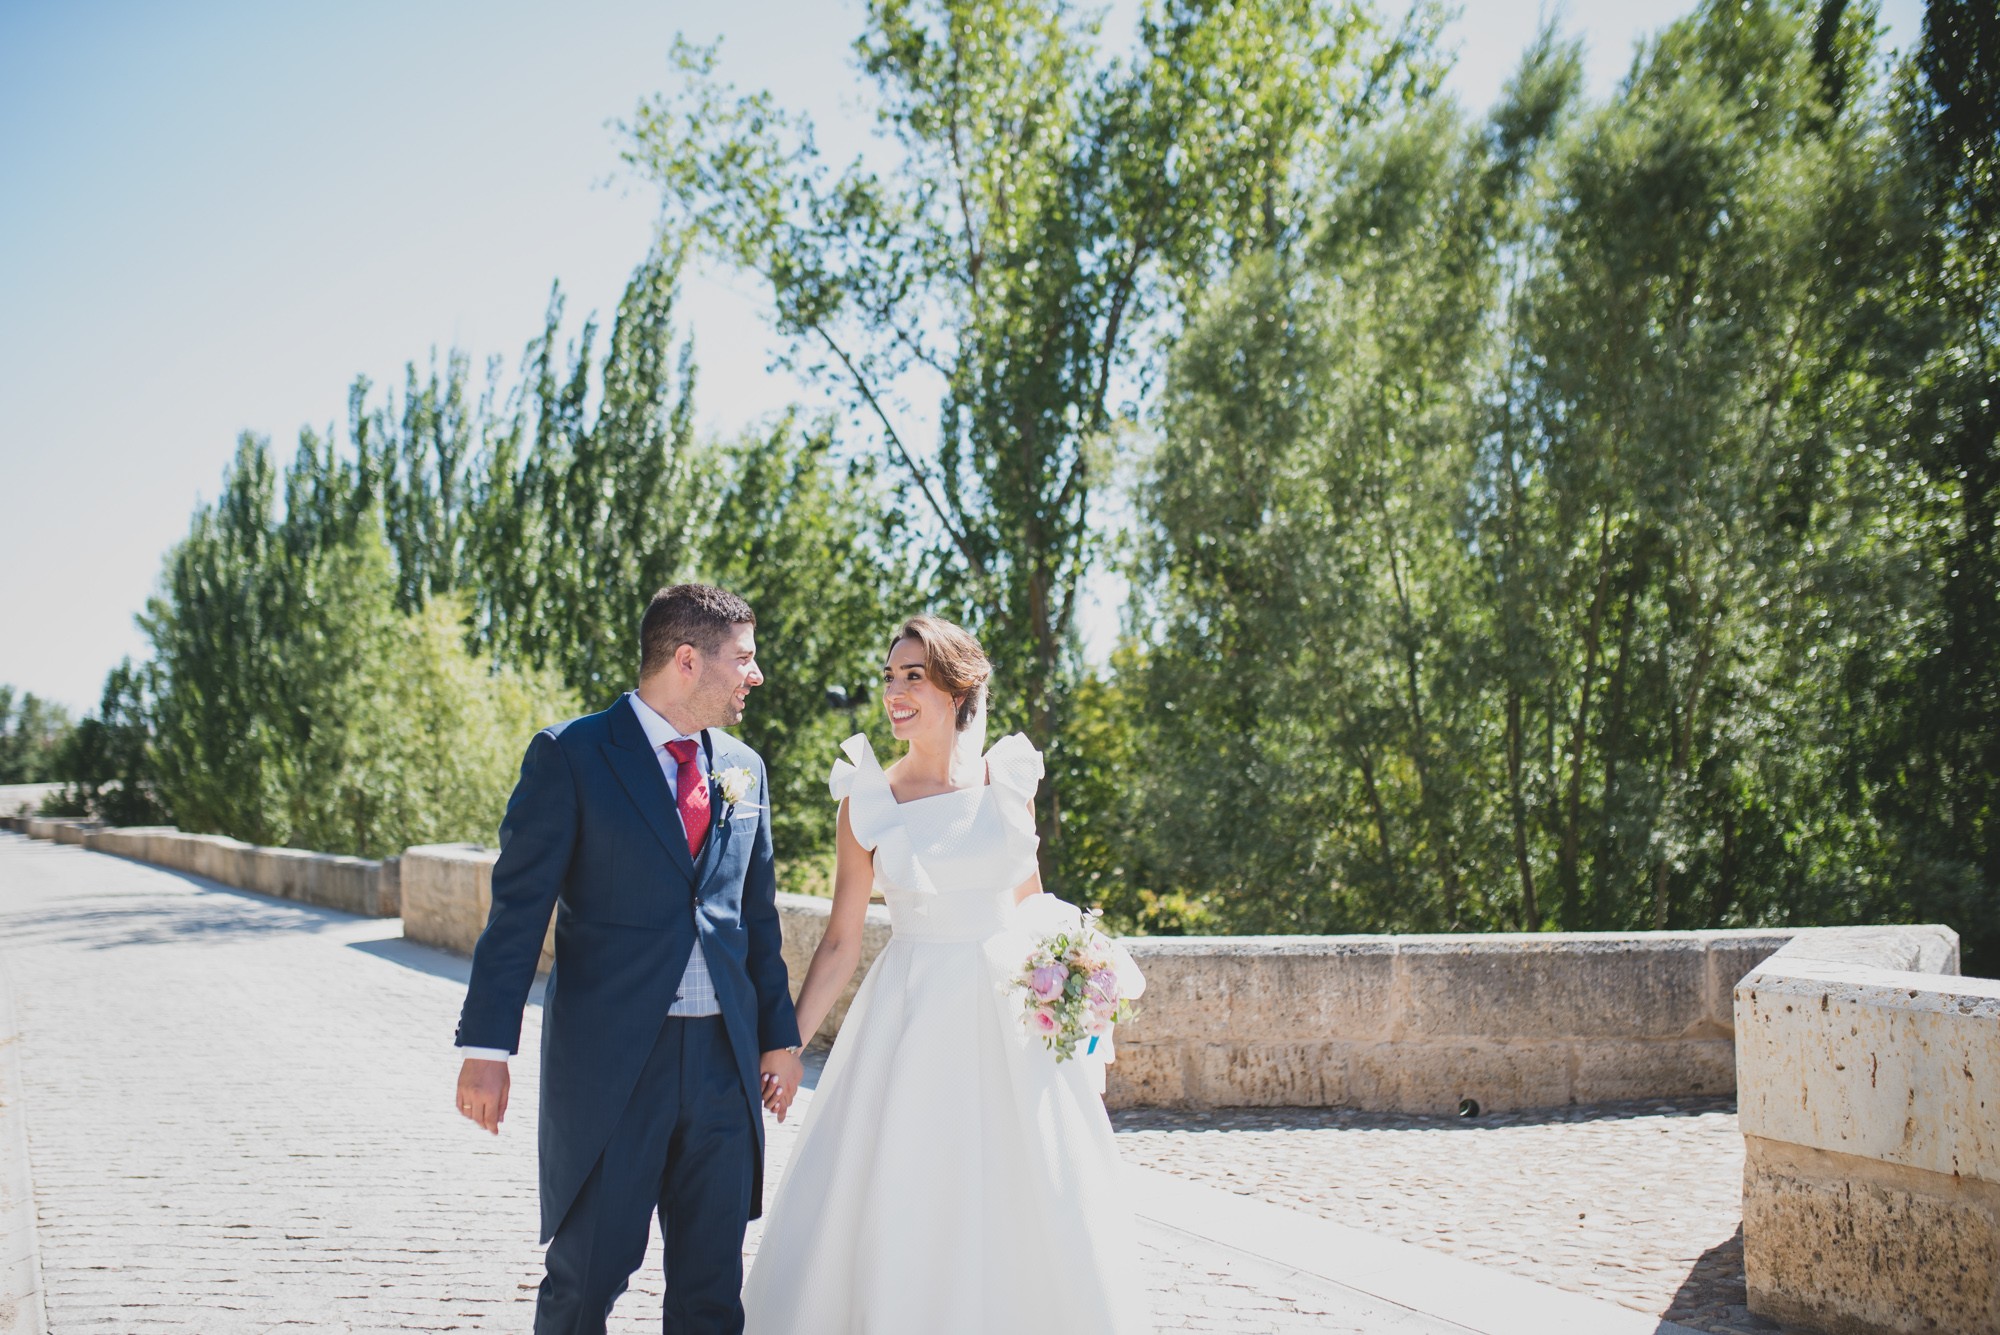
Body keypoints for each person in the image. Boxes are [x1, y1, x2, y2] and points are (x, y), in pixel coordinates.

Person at [741, 615, 1152, 1333]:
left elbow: (1031, 907)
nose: (895, 693)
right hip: (912, 1020)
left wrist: (1084, 994)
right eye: (889, 677)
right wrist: (787, 1042)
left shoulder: (1007, 782)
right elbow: (840, 941)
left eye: (914, 677)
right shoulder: (866, 801)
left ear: (960, 691)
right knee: (909, 1192)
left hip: (1011, 1032)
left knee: (1031, 1200)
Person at [452, 583, 803, 1335]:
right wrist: (487, 1048)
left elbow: (757, 921)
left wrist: (779, 1037)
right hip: (615, 1065)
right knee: (587, 1278)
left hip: (722, 1067)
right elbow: (517, 912)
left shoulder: (746, 767)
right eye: (742, 657)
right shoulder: (571, 756)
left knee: (711, 1292)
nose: (756, 674)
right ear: (686, 659)